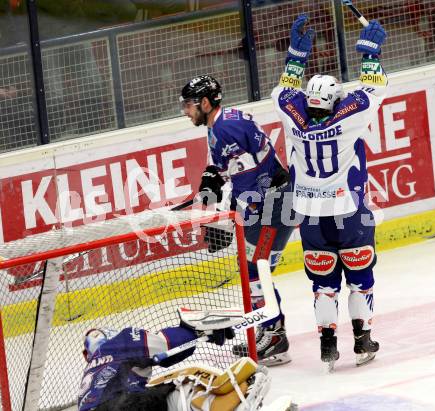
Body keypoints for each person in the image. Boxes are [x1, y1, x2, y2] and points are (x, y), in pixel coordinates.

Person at [271, 14, 388, 368]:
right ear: (336, 101)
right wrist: (369, 52)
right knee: (360, 279)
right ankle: (363, 341)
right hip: (348, 211)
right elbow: (375, 86)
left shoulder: (291, 111)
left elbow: (283, 90)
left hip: (309, 215)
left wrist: (295, 55)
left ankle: (327, 345)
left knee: (323, 284)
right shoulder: (350, 115)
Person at [179, 75, 295, 366]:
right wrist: (213, 177)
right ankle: (270, 330)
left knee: (256, 271)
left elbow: (249, 184)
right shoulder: (222, 122)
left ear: (205, 103)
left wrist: (227, 219)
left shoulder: (226, 127)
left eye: (189, 105)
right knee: (255, 269)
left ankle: (275, 336)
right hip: (272, 202)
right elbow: (233, 167)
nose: (185, 111)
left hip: (272, 206)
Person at [77, 310, 272, 411]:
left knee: (160, 390)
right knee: (184, 381)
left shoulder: (91, 376)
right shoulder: (117, 343)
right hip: (123, 407)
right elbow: (165, 346)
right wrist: (198, 330)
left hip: (120, 405)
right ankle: (232, 404)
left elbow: (164, 358)